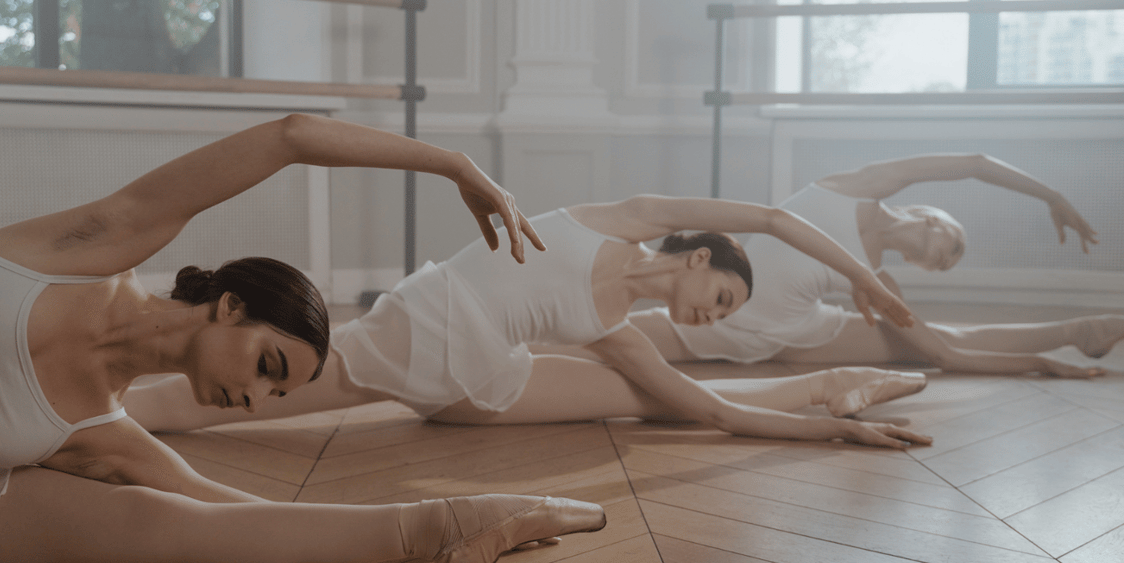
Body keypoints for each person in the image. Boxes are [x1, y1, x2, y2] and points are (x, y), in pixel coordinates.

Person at [0, 115, 605, 563]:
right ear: (228, 306)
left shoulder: (98, 427)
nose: (259, 401)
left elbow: (245, 518)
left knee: (170, 531)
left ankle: (458, 520)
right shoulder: (92, 247)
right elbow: (289, 137)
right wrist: (454, 165)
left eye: (278, 396)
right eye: (268, 366)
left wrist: (408, 525)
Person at [122, 194, 936, 450]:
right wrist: (869, 279)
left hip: (472, 382)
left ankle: (831, 390)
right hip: (425, 333)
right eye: (722, 297)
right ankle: (93, 416)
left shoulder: (615, 324)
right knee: (248, 396)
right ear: (699, 258)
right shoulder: (616, 219)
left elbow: (715, 409)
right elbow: (768, 214)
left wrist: (828, 432)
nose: (711, 316)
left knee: (657, 399)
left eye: (723, 316)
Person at [623, 153, 1124, 380]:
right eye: (948, 238)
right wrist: (1052, 195)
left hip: (791, 336)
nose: (944, 251)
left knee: (942, 341)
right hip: (716, 313)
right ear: (927, 214)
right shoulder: (856, 188)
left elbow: (943, 354)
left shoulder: (876, 276)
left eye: (947, 261)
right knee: (604, 333)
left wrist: (1041, 365)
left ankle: (1081, 331)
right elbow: (972, 165)